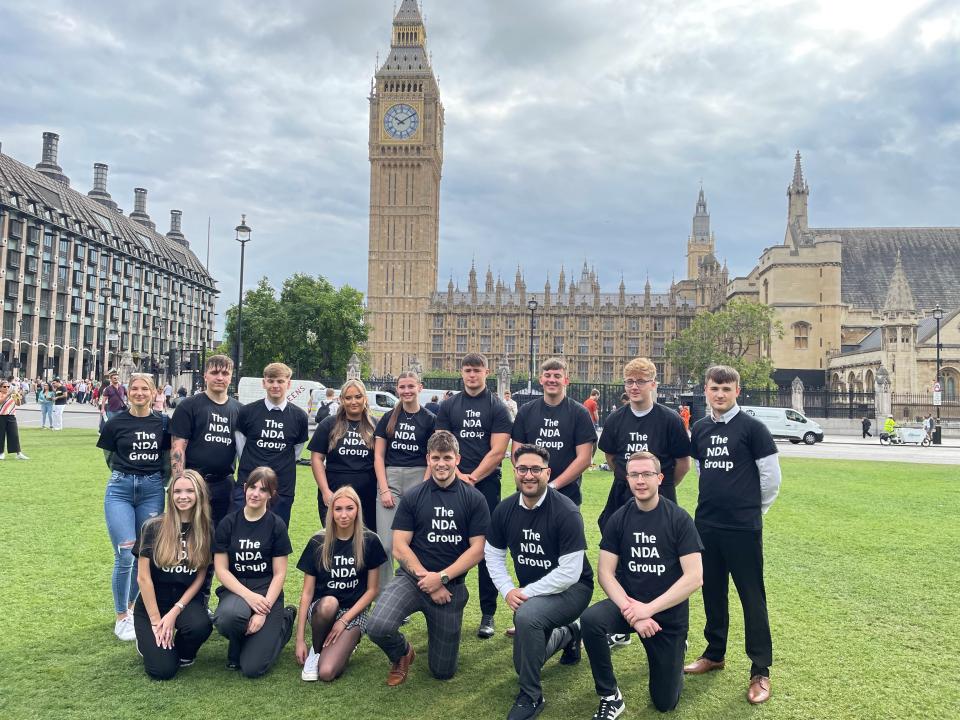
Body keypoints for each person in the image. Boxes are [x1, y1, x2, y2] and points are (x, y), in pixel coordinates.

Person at [684, 365, 781, 705]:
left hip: (742, 528)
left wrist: (755, 511)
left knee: (752, 597)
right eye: (714, 388)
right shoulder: (700, 428)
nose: (720, 394)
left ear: (737, 390)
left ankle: (760, 670)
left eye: (726, 388)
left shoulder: (753, 428)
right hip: (707, 525)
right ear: (706, 391)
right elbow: (700, 470)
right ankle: (714, 653)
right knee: (712, 592)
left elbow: (771, 478)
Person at [582, 452, 704, 716]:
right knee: (591, 620)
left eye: (647, 474)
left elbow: (694, 577)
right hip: (630, 606)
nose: (640, 480)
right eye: (634, 474)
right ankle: (610, 696)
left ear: (660, 478)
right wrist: (633, 613)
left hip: (666, 614)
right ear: (627, 479)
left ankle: (676, 649)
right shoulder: (619, 518)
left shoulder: (678, 519)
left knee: (664, 702)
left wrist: (648, 610)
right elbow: (605, 573)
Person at [366, 430, 490, 685]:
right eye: (435, 457)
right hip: (413, 580)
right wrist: (429, 580)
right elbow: (400, 547)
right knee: (377, 626)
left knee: (443, 671)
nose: (441, 463)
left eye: (447, 457)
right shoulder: (414, 496)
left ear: (457, 458)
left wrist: (443, 578)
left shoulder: (474, 499)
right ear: (428, 459)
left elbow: (478, 549)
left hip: (451, 586)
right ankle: (403, 652)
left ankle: (440, 637)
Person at [485, 444, 593, 720]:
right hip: (534, 594)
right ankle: (569, 634)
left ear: (548, 473)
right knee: (524, 663)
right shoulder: (505, 509)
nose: (529, 475)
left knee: (527, 616)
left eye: (536, 469)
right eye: (523, 469)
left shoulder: (566, 511)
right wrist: (508, 590)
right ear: (514, 471)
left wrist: (524, 594)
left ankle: (531, 696)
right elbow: (493, 555)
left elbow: (570, 572)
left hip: (573, 589)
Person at [435, 353, 513, 638]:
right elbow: (441, 445)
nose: (472, 375)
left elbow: (498, 450)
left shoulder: (497, 408)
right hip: (452, 485)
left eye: (476, 371)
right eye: (467, 370)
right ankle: (446, 606)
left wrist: (473, 477)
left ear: (487, 372)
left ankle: (488, 614)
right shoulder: (449, 405)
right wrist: (457, 476)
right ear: (461, 373)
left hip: (486, 485)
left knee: (486, 550)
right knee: (450, 543)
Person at [97, 373, 170, 640]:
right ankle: (120, 617)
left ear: (154, 393)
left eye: (145, 389)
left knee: (144, 555)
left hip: (152, 490)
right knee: (125, 553)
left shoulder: (163, 422)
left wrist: (157, 481)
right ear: (128, 393)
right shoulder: (115, 422)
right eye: (135, 389)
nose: (139, 393)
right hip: (120, 489)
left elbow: (166, 458)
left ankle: (131, 608)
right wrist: (127, 475)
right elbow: (110, 456)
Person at [294, 486, 387, 682]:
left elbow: (372, 591)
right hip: (322, 609)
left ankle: (345, 643)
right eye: (338, 509)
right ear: (331, 511)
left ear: (358, 510)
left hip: (353, 612)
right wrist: (300, 639)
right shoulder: (318, 542)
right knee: (329, 603)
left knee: (327, 672)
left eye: (349, 508)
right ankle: (316, 650)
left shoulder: (370, 540)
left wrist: (344, 621)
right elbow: (307, 593)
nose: (344, 515)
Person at [213, 466, 297, 678]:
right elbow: (221, 570)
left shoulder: (276, 526)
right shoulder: (228, 523)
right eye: (252, 487)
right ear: (244, 488)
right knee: (227, 617)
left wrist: (262, 611)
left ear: (271, 495)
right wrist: (248, 596)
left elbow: (279, 574)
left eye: (263, 489)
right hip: (237, 590)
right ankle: (238, 640)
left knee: (253, 668)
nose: (256, 493)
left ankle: (284, 622)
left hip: (267, 593)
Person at [132, 470, 214, 679]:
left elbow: (200, 576)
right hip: (153, 603)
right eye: (177, 491)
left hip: (184, 601)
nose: (183, 496)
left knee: (200, 626)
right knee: (163, 671)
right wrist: (156, 621)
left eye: (189, 491)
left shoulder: (206, 529)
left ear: (199, 494)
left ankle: (180, 650)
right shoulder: (153, 527)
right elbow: (143, 578)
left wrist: (175, 611)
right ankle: (150, 644)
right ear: (170, 495)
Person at [374, 371, 435, 591]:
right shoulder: (388, 417)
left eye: (411, 386)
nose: (406, 391)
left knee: (414, 544)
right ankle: (386, 594)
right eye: (402, 387)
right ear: (397, 389)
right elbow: (379, 456)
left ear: (420, 387)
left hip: (418, 478)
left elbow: (432, 458)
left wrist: (424, 488)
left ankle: (409, 593)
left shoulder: (430, 419)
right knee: (387, 544)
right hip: (390, 481)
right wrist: (383, 489)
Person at [511, 358, 596, 508]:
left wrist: (552, 486)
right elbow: (516, 454)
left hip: (567, 495)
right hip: (530, 493)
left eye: (557, 376)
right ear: (541, 380)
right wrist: (533, 479)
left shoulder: (579, 413)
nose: (552, 380)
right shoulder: (526, 411)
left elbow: (584, 458)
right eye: (548, 375)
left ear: (566, 380)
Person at [170, 355, 241, 531]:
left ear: (231, 376)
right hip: (193, 482)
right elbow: (178, 448)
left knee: (221, 538)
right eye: (215, 372)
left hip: (225, 483)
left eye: (225, 373)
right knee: (189, 535)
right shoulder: (189, 406)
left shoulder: (240, 410)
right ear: (205, 376)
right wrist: (180, 483)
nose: (220, 377)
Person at [234, 362, 309, 527]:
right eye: (271, 380)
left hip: (282, 486)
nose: (275, 385)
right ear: (264, 382)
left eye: (280, 381)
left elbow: (296, 451)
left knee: (276, 535)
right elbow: (241, 449)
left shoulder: (299, 417)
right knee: (241, 532)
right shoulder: (247, 412)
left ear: (288, 384)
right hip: (248, 483)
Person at [310, 379, 378, 531]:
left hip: (368, 495)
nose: (353, 401)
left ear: (365, 398)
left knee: (366, 542)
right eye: (348, 398)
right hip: (334, 492)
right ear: (341, 400)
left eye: (358, 397)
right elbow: (316, 459)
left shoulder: (376, 425)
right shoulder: (328, 424)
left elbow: (381, 461)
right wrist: (325, 491)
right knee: (337, 541)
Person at [0, 380, 29, 460]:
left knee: (14, 435)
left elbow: (18, 404)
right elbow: (1, 402)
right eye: (4, 386)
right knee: (1, 435)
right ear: (1, 388)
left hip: (11, 416)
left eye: (8, 386)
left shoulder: (12, 395)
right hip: (1, 416)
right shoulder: (1, 394)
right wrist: (8, 395)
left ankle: (18, 453)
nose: (6, 388)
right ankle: (1, 453)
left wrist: (18, 397)